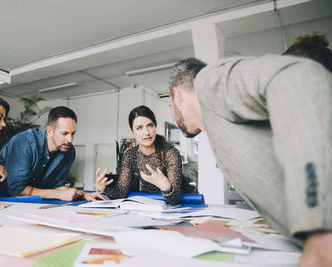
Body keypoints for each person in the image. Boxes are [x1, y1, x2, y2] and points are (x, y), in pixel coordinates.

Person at [168, 56, 332, 266]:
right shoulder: (215, 123)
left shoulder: (207, 81)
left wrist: (320, 232)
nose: (173, 116)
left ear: (177, 95)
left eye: (170, 104)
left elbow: (300, 77)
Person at [0, 106, 107, 201]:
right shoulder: (24, 142)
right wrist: (59, 194)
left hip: (19, 202)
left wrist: (82, 193)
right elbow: (17, 190)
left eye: (73, 133)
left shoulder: (69, 151)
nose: (70, 139)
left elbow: (57, 186)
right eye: (64, 133)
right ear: (49, 131)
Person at [95, 105, 195, 206]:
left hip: (188, 202)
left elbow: (174, 200)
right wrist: (103, 188)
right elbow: (121, 193)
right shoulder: (130, 155)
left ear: (155, 127)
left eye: (150, 125)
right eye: (139, 128)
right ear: (132, 132)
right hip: (159, 204)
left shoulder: (170, 153)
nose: (146, 132)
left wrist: (165, 186)